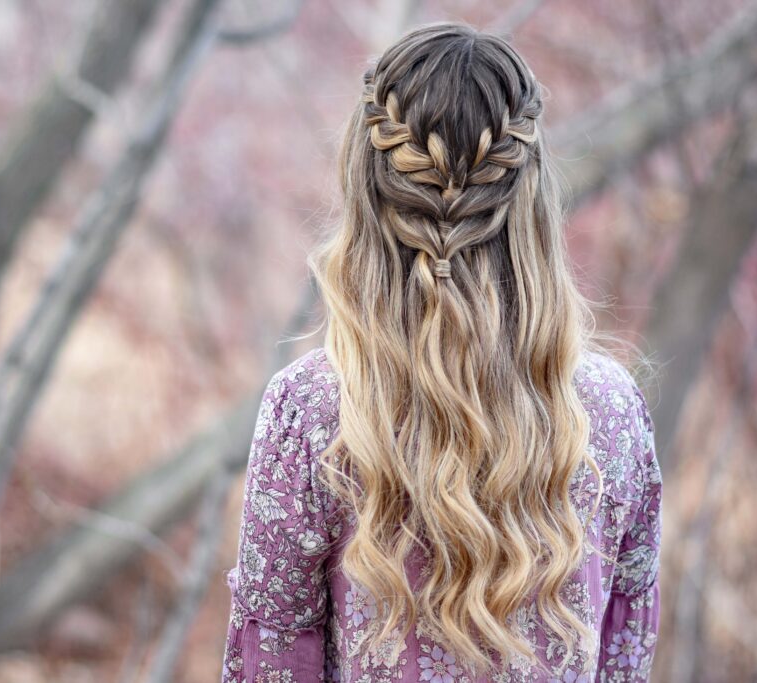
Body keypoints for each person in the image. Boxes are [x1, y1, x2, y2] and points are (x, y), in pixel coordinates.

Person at [220, 21, 662, 683]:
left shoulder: (313, 409)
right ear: (532, 199)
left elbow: (272, 664)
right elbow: (626, 652)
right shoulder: (611, 409)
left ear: (368, 193)